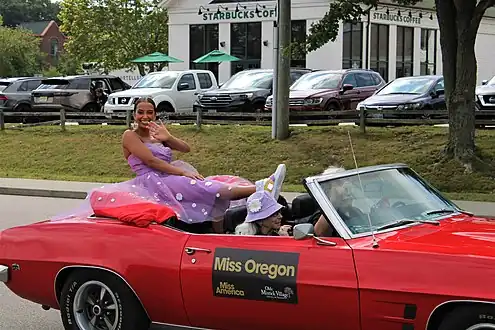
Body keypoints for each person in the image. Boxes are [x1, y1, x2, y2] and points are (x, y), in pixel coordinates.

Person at [52, 97, 287, 234]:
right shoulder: (129, 135)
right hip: (153, 180)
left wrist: (168, 136)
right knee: (206, 187)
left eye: (149, 112)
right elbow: (152, 161)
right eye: (140, 112)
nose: (145, 116)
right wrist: (183, 172)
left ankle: (221, 236)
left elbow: (185, 149)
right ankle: (261, 187)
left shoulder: (157, 133)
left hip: (170, 176)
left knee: (214, 188)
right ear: (134, 115)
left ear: (155, 114)